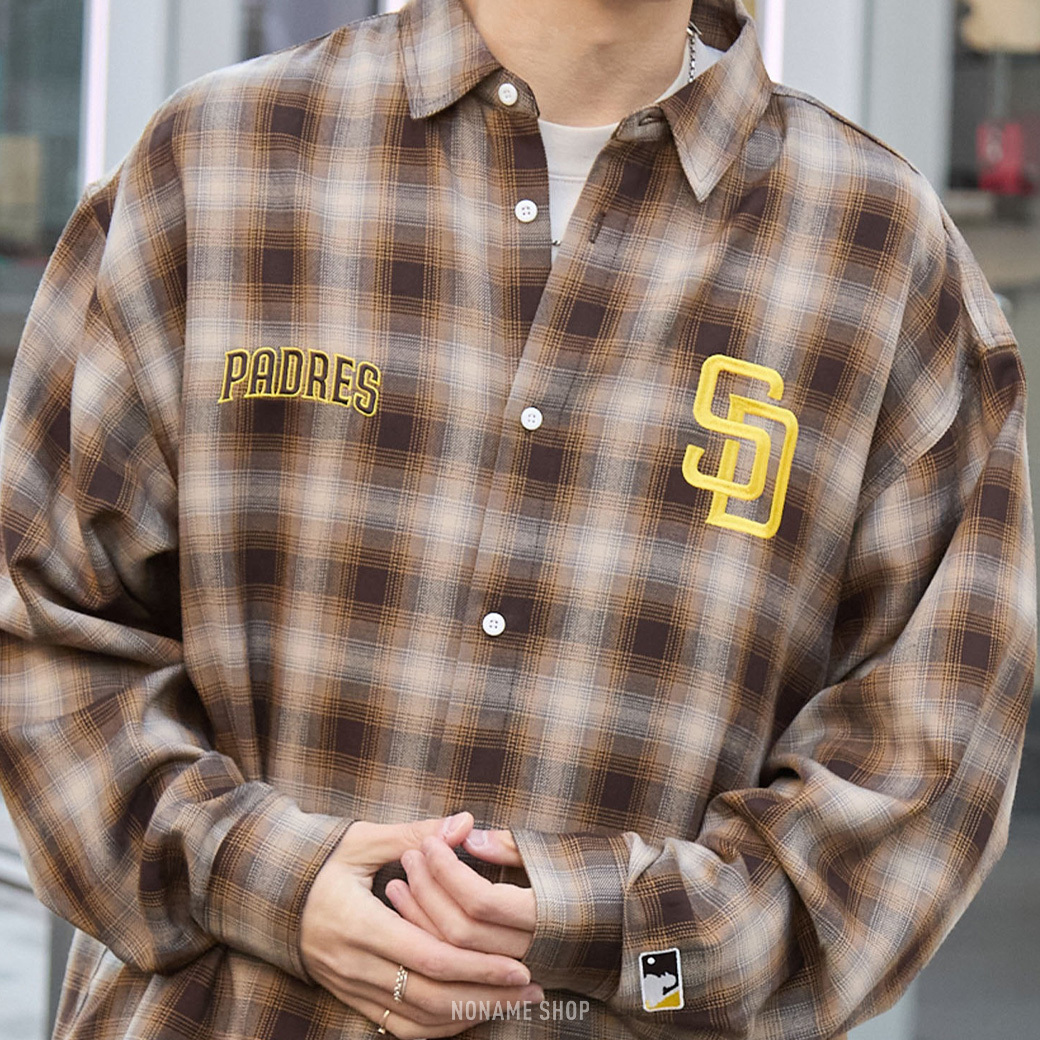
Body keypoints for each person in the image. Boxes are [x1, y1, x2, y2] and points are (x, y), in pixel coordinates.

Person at [0, 0, 1034, 1038]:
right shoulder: (216, 164)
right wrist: (264, 878)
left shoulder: (882, 254)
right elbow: (41, 633)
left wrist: (617, 935)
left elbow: (915, 783)